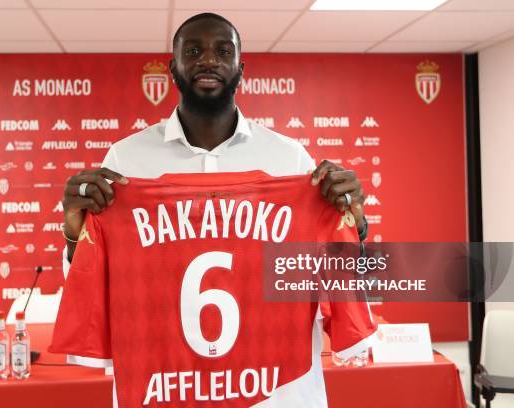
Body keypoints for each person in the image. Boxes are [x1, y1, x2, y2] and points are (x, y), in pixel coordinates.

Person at [61, 12, 367, 272]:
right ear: (173, 68)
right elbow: (92, 279)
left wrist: (356, 225)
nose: (208, 60)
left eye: (223, 51)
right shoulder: (125, 160)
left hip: (267, 341)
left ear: (240, 70)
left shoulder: (291, 159)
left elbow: (333, 277)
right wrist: (75, 237)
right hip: (158, 341)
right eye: (193, 52)